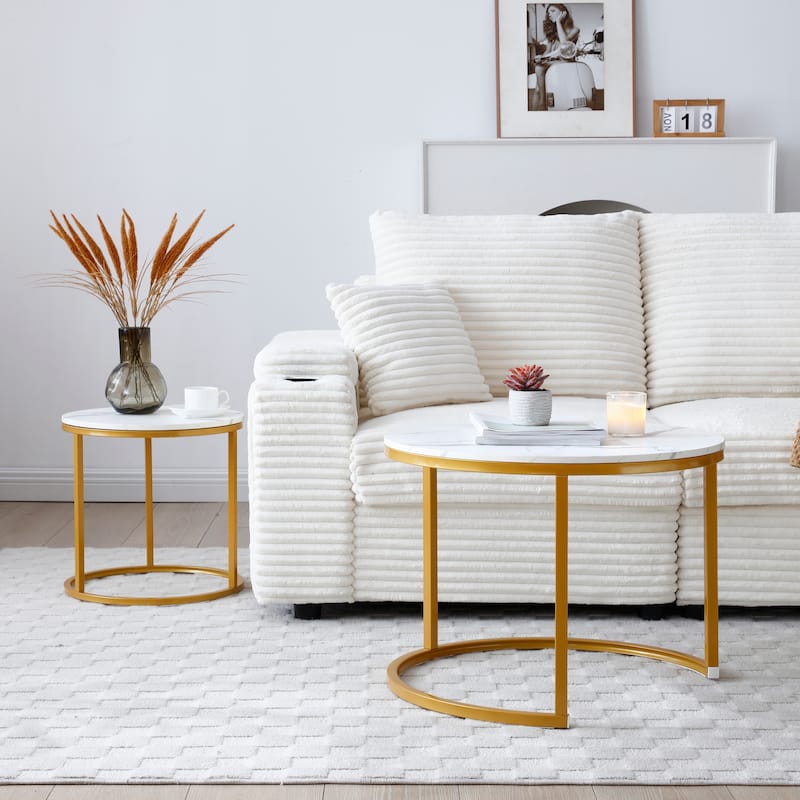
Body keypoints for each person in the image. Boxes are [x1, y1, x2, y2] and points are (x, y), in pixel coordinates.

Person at [529, 4, 581, 111]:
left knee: (539, 70)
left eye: (552, 11)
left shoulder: (575, 30)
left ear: (563, 12)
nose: (549, 15)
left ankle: (543, 104)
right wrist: (541, 57)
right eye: (548, 13)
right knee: (537, 89)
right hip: (552, 62)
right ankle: (535, 112)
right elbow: (548, 51)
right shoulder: (552, 33)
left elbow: (564, 44)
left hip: (566, 63)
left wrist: (558, 22)